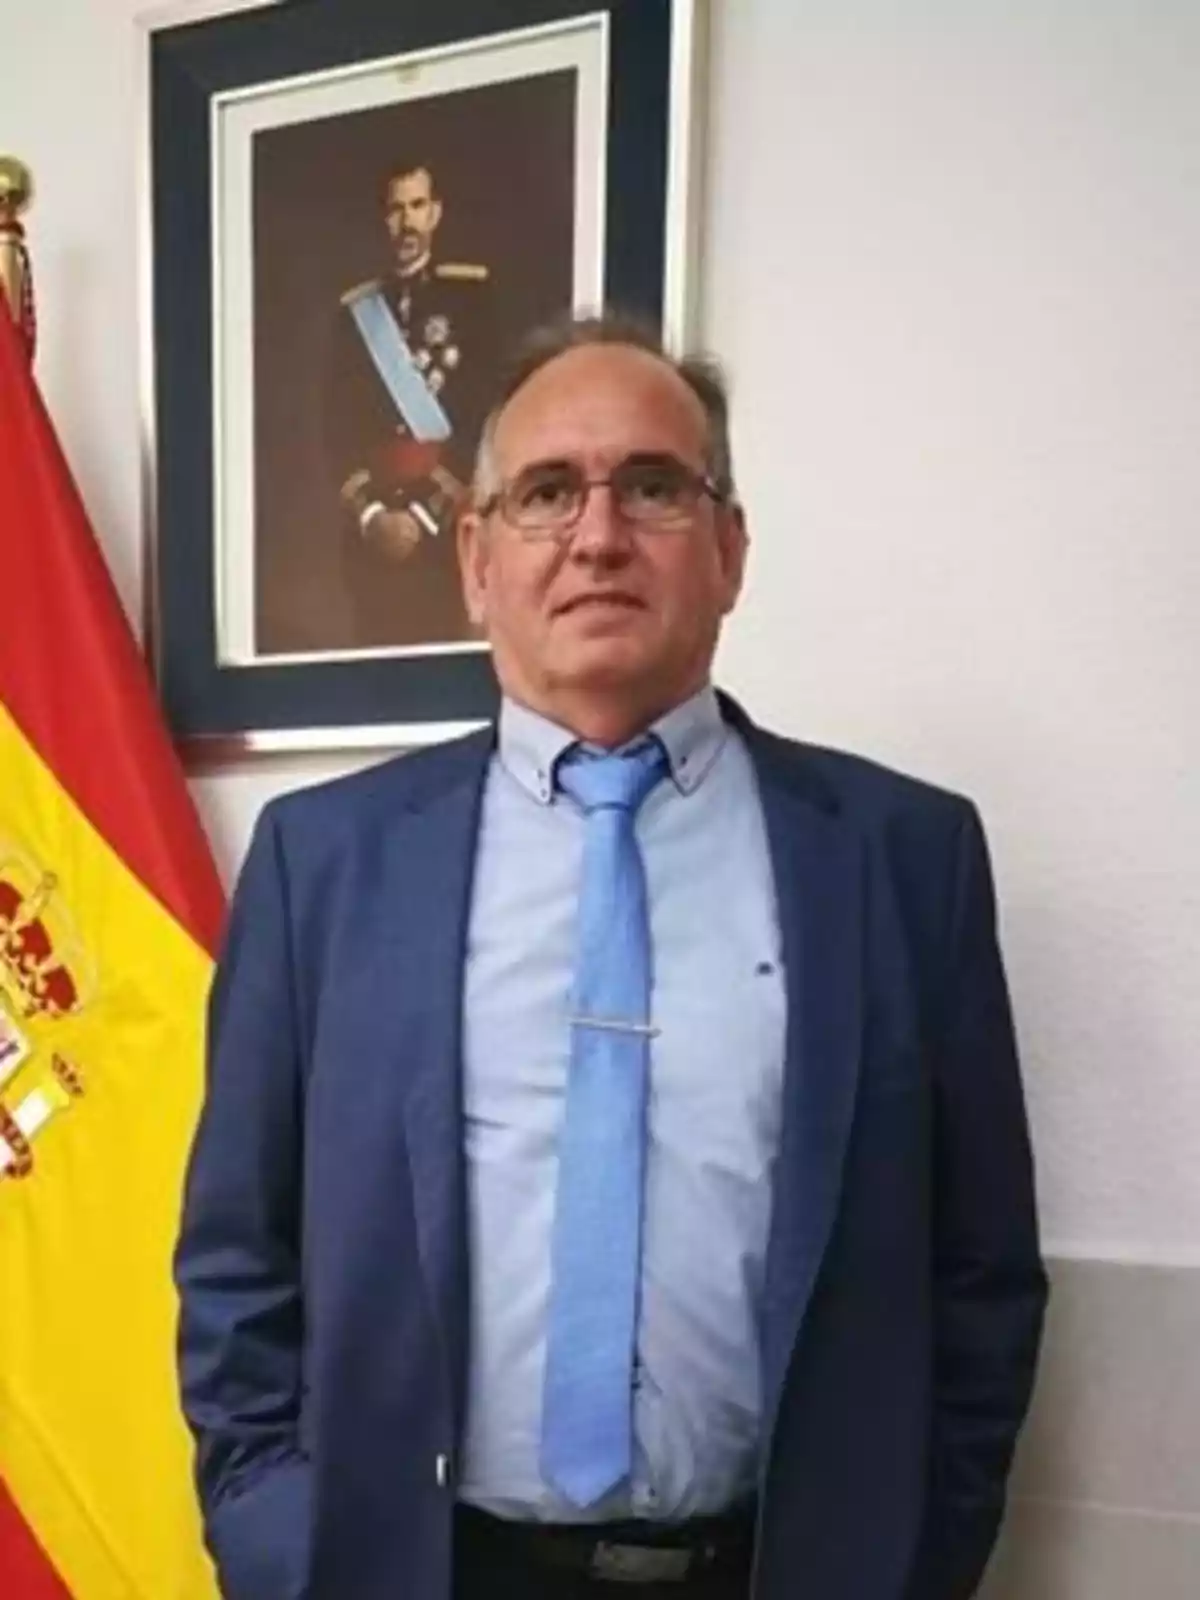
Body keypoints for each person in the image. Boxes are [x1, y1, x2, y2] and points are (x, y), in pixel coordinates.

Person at [176, 312, 1048, 1600]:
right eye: (545, 492)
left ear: (731, 548)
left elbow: (980, 1270)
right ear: (474, 560)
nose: (597, 536)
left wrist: (920, 1556)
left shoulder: (901, 860)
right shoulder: (326, 864)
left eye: (652, 486)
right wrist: (274, 1534)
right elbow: (240, 1252)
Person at [324, 161, 498, 647]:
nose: (407, 222)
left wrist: (425, 516)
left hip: (445, 524)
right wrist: (370, 515)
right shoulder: (354, 315)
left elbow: (490, 414)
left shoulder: (472, 300)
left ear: (435, 213)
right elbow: (333, 426)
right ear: (383, 219)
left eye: (417, 206)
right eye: (395, 209)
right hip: (370, 535)